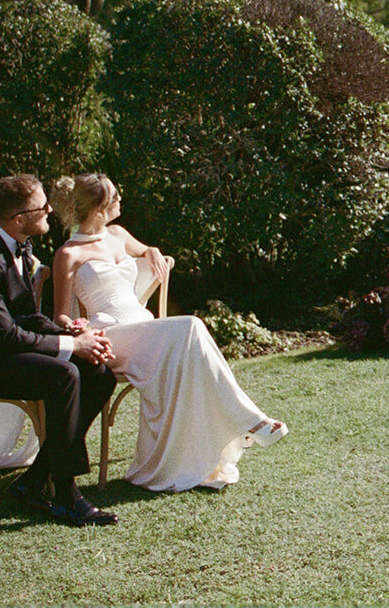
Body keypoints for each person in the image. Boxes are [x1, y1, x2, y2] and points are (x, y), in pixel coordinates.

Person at [48, 173, 288, 492]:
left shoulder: (118, 234)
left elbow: (147, 249)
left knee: (189, 337)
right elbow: (60, 315)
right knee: (190, 326)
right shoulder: (68, 254)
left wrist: (153, 251)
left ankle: (233, 430)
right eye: (115, 195)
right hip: (109, 335)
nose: (121, 199)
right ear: (98, 206)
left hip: (144, 327)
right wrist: (78, 329)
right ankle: (251, 421)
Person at [0, 174, 120, 527]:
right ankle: (65, 496)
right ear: (19, 219)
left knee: (98, 372)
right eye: (42, 207)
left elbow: (28, 317)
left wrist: (72, 333)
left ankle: (34, 481)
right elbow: (5, 335)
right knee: (64, 374)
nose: (51, 208)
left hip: (1, 353)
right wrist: (71, 346)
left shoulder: (20, 247)